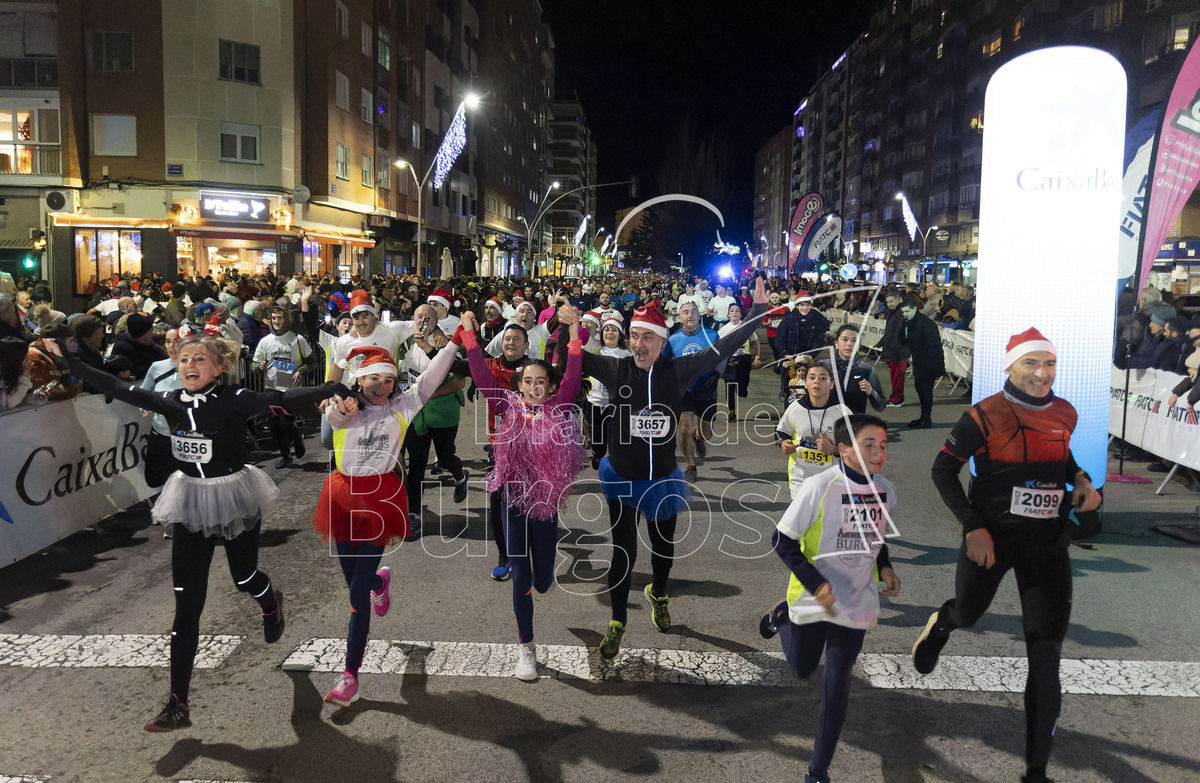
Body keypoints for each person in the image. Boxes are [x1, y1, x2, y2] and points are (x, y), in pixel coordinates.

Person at [57, 335, 348, 733]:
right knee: (186, 606)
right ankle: (178, 702)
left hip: (234, 495)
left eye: (199, 359)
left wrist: (332, 387)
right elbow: (117, 387)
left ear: (218, 366)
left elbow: (282, 397)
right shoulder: (171, 400)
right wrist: (72, 363)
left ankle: (270, 601)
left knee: (244, 577)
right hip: (190, 501)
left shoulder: (235, 396)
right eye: (183, 359)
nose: (189, 365)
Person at [912, 327, 1101, 783]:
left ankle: (1036, 770)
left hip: (1046, 544)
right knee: (970, 613)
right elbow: (943, 471)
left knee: (1045, 651)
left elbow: (1061, 455)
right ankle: (943, 623)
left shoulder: (1066, 412)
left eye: (1049, 364)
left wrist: (1081, 479)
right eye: (1031, 363)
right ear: (1010, 366)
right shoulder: (984, 414)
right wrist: (973, 525)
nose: (1042, 373)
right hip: (991, 539)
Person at [572, 280, 767, 659]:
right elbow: (572, 359)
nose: (639, 344)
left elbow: (723, 346)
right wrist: (567, 328)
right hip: (624, 480)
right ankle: (616, 622)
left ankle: (658, 593)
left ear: (663, 340)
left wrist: (757, 313)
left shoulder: (678, 370)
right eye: (634, 336)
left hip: (661, 480)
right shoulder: (618, 371)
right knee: (623, 551)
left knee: (663, 549)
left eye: (647, 337)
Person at [313, 338, 459, 706]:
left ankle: (350, 675)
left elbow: (431, 375)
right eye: (373, 380)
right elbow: (332, 419)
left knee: (356, 598)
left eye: (388, 380)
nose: (382, 387)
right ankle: (380, 581)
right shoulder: (345, 407)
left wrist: (455, 342)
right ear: (359, 382)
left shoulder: (404, 406)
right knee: (355, 584)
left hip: (381, 500)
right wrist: (336, 405)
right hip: (343, 498)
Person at [759, 414, 900, 783]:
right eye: (868, 445)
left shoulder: (883, 490)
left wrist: (885, 568)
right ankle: (782, 616)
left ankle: (817, 772)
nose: (878, 453)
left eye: (882, 445)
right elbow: (782, 539)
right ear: (844, 449)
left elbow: (875, 538)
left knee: (836, 688)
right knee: (803, 668)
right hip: (810, 598)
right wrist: (816, 583)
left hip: (855, 600)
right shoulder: (820, 486)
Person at [461, 309, 583, 680]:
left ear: (549, 385)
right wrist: (469, 331)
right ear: (518, 385)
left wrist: (574, 329)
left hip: (544, 503)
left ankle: (543, 575)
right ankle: (526, 649)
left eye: (540, 381)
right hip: (513, 498)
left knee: (543, 578)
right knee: (520, 576)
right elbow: (481, 373)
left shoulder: (559, 407)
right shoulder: (505, 405)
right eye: (527, 381)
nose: (533, 386)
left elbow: (574, 375)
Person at [401, 305, 470, 541]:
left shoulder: (448, 345)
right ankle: (414, 515)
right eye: (419, 316)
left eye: (428, 317)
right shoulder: (405, 347)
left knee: (446, 457)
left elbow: (457, 383)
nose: (423, 321)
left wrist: (427, 394)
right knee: (416, 466)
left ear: (436, 320)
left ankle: (460, 475)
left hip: (443, 414)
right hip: (416, 415)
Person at [776, 362, 852, 498]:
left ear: (832, 384)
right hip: (800, 481)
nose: (816, 381)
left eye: (823, 378)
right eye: (812, 377)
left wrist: (833, 450)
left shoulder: (842, 413)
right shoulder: (795, 408)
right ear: (805, 383)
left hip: (833, 482)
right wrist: (782, 443)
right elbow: (780, 432)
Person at [253, 307, 314, 468]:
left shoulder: (297, 339)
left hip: (292, 390)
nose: (276, 321)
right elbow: (254, 363)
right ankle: (286, 456)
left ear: (285, 319)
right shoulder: (265, 341)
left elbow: (312, 361)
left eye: (279, 318)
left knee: (285, 423)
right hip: (271, 388)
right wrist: (258, 366)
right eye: (273, 318)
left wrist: (301, 371)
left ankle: (297, 439)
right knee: (274, 426)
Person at [668, 301, 722, 481]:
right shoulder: (673, 339)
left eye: (693, 312)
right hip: (684, 391)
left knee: (706, 432)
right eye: (685, 312)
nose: (689, 315)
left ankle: (698, 438)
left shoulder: (712, 335)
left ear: (700, 315)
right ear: (680, 317)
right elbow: (665, 362)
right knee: (683, 425)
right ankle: (691, 466)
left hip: (707, 390)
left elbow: (722, 357)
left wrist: (716, 375)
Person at [584, 314, 631, 469]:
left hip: (616, 405)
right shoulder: (596, 349)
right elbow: (588, 336)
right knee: (598, 442)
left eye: (614, 330)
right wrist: (590, 325)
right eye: (607, 330)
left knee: (615, 439)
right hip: (595, 402)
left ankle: (614, 465)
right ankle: (598, 454)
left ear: (620, 334)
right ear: (602, 333)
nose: (610, 333)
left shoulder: (627, 355)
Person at [899, 296, 945, 428]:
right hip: (921, 361)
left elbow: (924, 344)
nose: (905, 314)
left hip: (929, 362)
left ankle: (926, 418)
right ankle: (924, 417)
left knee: (925, 390)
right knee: (920, 388)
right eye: (903, 312)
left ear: (914, 309)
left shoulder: (924, 323)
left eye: (907, 311)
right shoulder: (911, 322)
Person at [828, 324, 886, 414]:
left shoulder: (867, 370)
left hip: (856, 424)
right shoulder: (824, 368)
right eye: (845, 339)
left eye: (854, 340)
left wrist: (871, 392)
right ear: (836, 343)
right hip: (828, 424)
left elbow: (881, 406)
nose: (849, 344)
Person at [717, 302, 760, 422]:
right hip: (729, 362)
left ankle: (743, 389)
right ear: (728, 314)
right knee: (729, 388)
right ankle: (732, 412)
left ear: (741, 314)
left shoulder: (746, 327)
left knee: (741, 391)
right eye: (732, 311)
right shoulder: (723, 330)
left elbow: (755, 342)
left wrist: (757, 357)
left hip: (743, 361)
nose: (734, 313)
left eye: (737, 311)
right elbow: (717, 346)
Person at [877, 291, 910, 408]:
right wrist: (882, 342)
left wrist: (892, 348)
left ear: (898, 300)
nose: (889, 304)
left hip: (900, 350)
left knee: (898, 377)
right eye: (887, 302)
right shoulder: (893, 312)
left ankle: (897, 399)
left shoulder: (901, 313)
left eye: (891, 301)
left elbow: (899, 333)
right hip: (894, 349)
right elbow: (889, 331)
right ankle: (896, 398)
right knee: (895, 376)